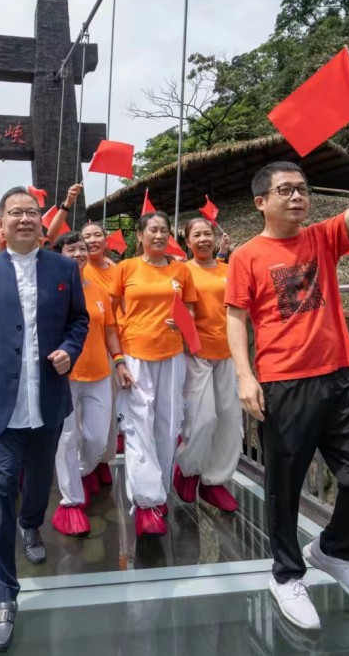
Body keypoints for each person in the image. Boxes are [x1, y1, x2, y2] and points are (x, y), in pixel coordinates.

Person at [226, 131, 349, 631]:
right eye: (286, 190)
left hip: (340, 377)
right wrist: (245, 376)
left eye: (302, 189)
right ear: (261, 202)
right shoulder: (246, 256)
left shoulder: (322, 237)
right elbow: (236, 318)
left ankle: (334, 550)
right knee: (284, 486)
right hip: (283, 384)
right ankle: (286, 575)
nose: (297, 196)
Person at [0, 187, 88, 652]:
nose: (25, 219)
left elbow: (79, 321)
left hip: (47, 396)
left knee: (39, 479)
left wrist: (69, 350)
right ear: (1, 222)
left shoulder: (64, 269)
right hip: (0, 402)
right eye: (16, 213)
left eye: (32, 212)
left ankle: (32, 523)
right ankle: (3, 596)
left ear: (42, 221)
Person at [109, 211, 197, 537]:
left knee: (168, 423)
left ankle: (160, 492)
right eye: (153, 230)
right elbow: (111, 315)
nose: (159, 235)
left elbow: (190, 309)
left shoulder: (181, 270)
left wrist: (183, 323)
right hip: (135, 355)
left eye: (164, 230)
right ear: (140, 235)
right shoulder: (126, 268)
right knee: (137, 425)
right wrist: (119, 360)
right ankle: (146, 503)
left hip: (171, 355)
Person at [50, 232, 134, 536]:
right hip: (64, 376)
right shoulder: (53, 290)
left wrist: (119, 361)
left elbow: (110, 329)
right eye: (71, 249)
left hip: (99, 373)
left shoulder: (99, 289)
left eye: (82, 249)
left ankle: (80, 472)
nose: (78, 254)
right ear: (59, 255)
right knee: (67, 437)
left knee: (97, 438)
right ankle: (70, 501)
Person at [173, 218, 241, 512]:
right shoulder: (181, 271)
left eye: (207, 234)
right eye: (196, 235)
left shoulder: (230, 270)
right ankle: (188, 470)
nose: (203, 239)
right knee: (202, 418)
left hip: (228, 352)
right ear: (187, 242)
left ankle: (214, 482)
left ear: (215, 238)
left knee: (229, 418)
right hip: (196, 353)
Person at [79, 221, 123, 483]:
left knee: (108, 409)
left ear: (106, 241)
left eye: (98, 235)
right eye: (87, 236)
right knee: (82, 413)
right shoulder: (79, 268)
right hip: (84, 347)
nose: (93, 240)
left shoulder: (118, 270)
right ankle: (84, 466)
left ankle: (103, 458)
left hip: (113, 344)